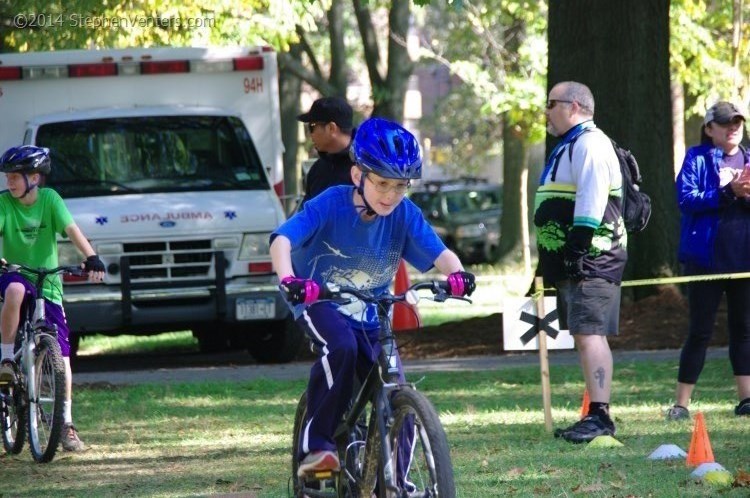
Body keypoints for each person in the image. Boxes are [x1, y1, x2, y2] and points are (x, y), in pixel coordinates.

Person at [270, 117, 475, 476]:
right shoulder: (329, 205)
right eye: (381, 183)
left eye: (400, 186)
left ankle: (395, 481)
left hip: (371, 309)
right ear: (357, 177)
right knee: (342, 349)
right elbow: (282, 239)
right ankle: (316, 447)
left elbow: (439, 252)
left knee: (397, 388)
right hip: (319, 300)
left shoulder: (404, 214)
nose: (390, 195)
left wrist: (457, 274)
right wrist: (289, 279)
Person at [533, 81, 626, 443]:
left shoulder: (589, 143)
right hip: (576, 262)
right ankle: (593, 413)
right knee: (584, 334)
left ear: (573, 106)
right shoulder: (571, 144)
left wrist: (576, 248)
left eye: (551, 104)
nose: (547, 111)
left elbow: (591, 198)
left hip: (592, 259)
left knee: (590, 334)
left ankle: (600, 415)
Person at [0, 145, 106, 451]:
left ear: (34, 177)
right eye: (7, 177)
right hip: (15, 273)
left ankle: (65, 424)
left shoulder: (50, 200)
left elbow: (71, 230)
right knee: (16, 290)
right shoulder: (5, 204)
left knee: (62, 354)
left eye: (15, 177)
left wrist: (92, 257)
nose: (9, 182)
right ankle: (7, 357)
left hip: (48, 282)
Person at [666, 101, 750, 420]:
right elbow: (686, 200)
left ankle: (746, 400)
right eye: (727, 122)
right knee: (700, 330)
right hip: (705, 260)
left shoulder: (749, 158)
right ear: (709, 128)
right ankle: (681, 404)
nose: (733, 127)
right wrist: (729, 192)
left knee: (743, 330)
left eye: (738, 122)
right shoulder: (696, 158)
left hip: (744, 260)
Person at [296, 96, 356, 208]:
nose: (310, 134)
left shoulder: (367, 168)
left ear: (331, 128)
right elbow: (304, 216)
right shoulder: (317, 170)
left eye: (312, 126)